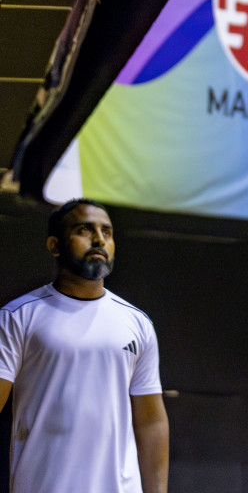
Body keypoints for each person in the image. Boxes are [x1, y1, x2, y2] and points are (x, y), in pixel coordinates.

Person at [0, 199, 169, 493]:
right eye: (84, 230)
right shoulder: (18, 316)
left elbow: (151, 422)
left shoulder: (138, 323)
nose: (99, 239)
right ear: (54, 245)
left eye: (107, 232)